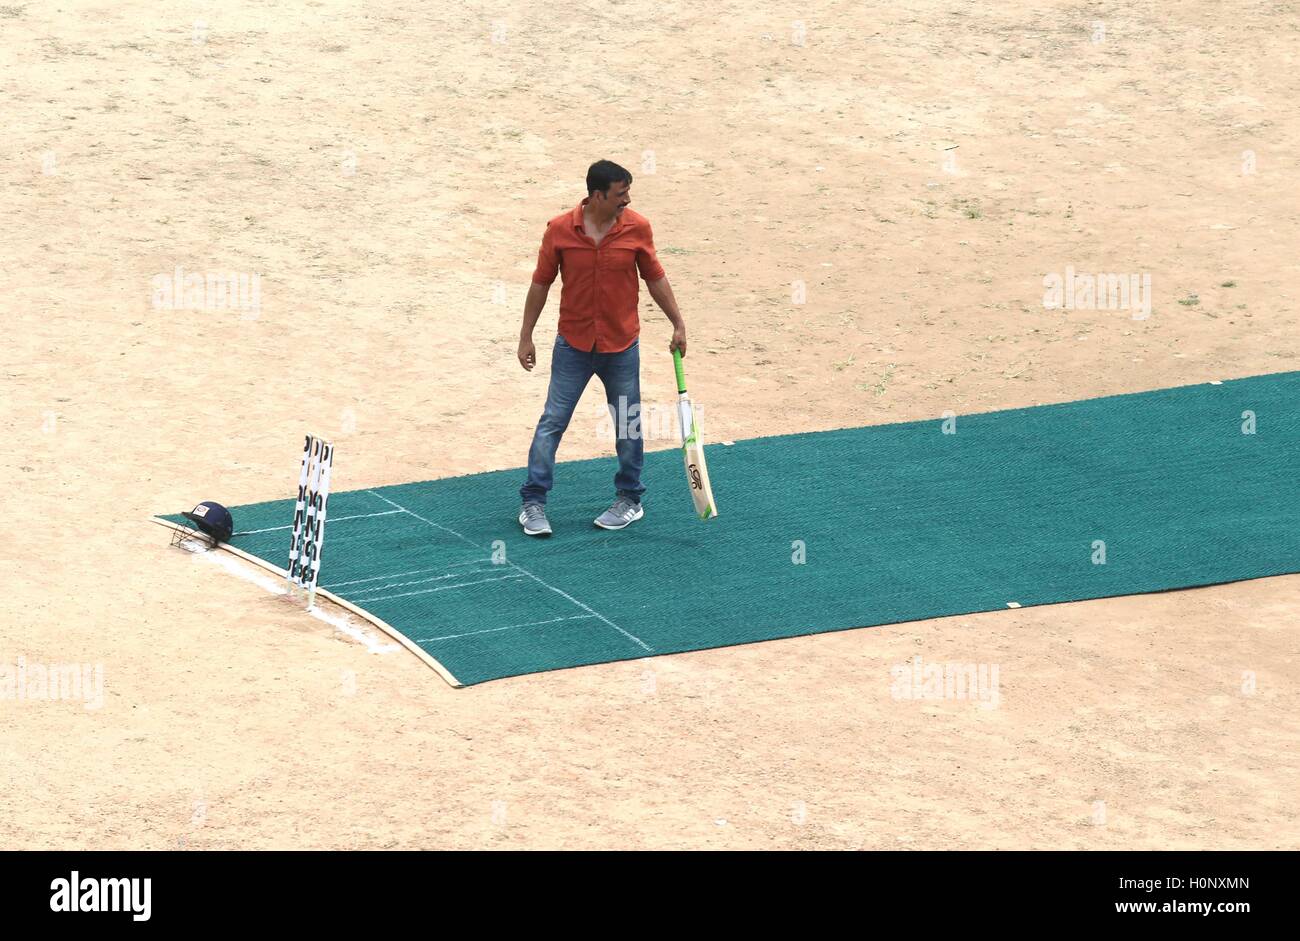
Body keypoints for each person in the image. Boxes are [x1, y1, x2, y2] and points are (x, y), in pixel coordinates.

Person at [517, 159, 687, 537]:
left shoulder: (637, 228)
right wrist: (526, 335)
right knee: (552, 423)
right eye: (620, 194)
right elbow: (541, 284)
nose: (627, 200)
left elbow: (655, 277)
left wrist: (678, 322)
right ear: (597, 196)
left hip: (621, 346)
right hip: (572, 345)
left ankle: (629, 499)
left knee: (628, 424)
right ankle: (533, 502)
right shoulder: (560, 230)